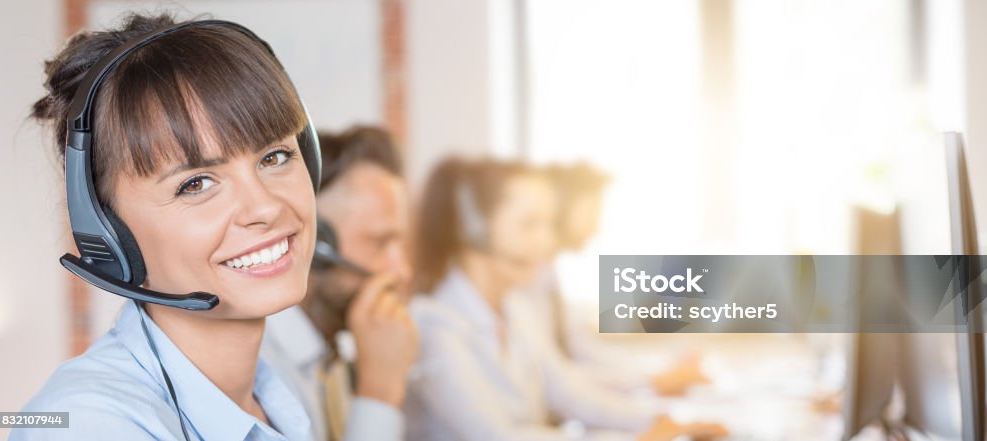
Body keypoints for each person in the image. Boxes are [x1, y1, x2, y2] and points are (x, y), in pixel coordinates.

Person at [13, 13, 320, 440]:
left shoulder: (277, 394)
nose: (264, 208)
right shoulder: (90, 425)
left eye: (274, 157)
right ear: (107, 231)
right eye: (195, 184)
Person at [404, 157, 726, 441]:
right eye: (529, 225)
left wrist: (656, 421)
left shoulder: (516, 307)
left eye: (547, 224)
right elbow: (497, 435)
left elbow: (567, 390)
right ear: (473, 229)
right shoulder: (435, 324)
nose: (546, 240)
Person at [262, 126, 417, 441]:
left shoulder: (332, 357)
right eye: (380, 242)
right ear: (319, 245)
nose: (402, 272)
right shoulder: (262, 373)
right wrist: (380, 390)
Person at [536, 162, 709, 396]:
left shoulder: (546, 274)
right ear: (559, 209)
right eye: (590, 214)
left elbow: (580, 350)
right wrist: (652, 380)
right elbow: (561, 373)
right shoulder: (528, 281)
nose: (595, 228)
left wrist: (659, 374)